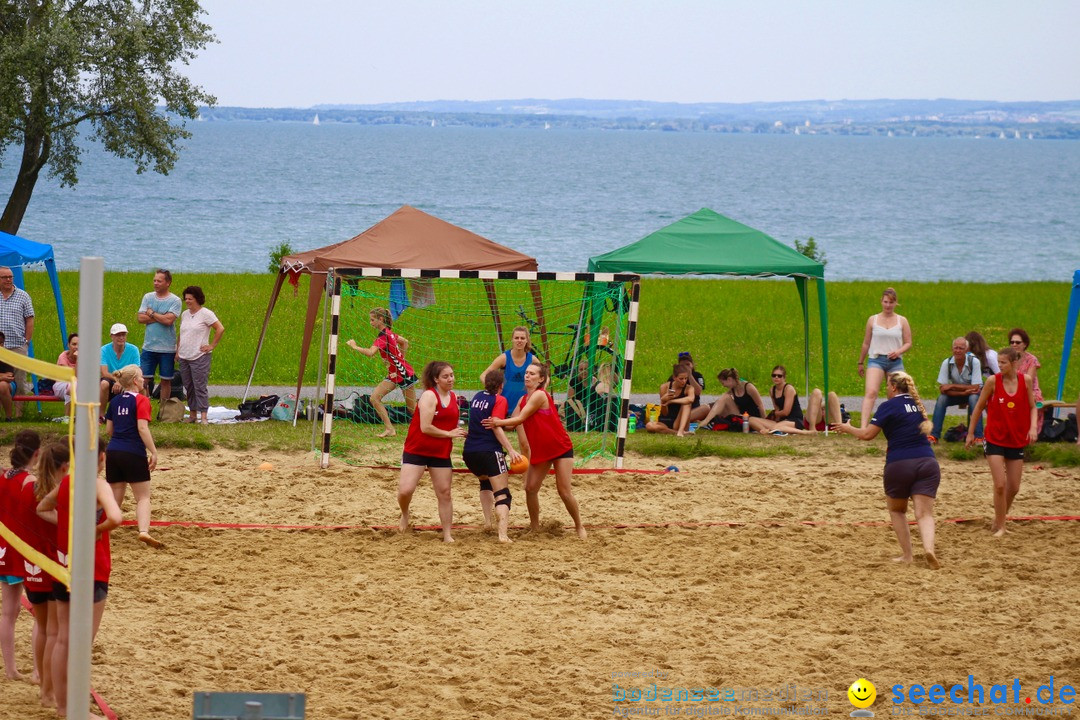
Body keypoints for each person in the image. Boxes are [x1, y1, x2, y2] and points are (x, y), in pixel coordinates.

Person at [38, 439, 122, 720]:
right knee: (81, 644)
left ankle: (63, 707)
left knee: (63, 639)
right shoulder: (97, 484)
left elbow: (42, 507)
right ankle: (76, 710)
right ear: (99, 456)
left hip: (64, 567)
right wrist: (93, 530)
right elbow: (117, 517)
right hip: (91, 569)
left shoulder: (67, 482)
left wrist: (69, 526)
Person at [833, 372, 941, 570]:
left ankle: (908, 555)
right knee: (924, 514)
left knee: (897, 510)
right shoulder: (919, 405)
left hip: (900, 463)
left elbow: (867, 435)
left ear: (893, 387)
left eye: (886, 386)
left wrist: (847, 428)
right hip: (928, 462)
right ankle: (929, 549)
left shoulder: (888, 406)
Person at [483, 362, 587, 539]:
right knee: (530, 488)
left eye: (532, 374)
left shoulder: (540, 395)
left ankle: (579, 526)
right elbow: (513, 422)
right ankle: (535, 528)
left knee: (564, 491)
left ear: (541, 379)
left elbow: (521, 417)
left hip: (560, 447)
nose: (527, 376)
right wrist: (492, 423)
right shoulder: (522, 399)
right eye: (526, 373)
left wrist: (498, 422)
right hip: (541, 450)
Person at [965, 346, 1037, 537]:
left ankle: (998, 521)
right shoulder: (993, 381)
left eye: (1003, 363)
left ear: (1014, 363)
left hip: (1016, 438)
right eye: (998, 363)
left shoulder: (1026, 381)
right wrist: (970, 433)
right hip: (995, 438)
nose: (1000, 366)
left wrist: (1032, 428)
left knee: (1014, 487)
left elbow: (1033, 407)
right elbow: (978, 408)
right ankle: (1002, 526)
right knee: (1000, 484)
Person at [397, 361, 467, 542]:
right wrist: (449, 433)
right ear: (436, 379)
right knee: (406, 490)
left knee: (445, 493)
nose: (451, 379)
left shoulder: (454, 398)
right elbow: (425, 427)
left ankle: (447, 534)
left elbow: (451, 424)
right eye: (446, 376)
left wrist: (462, 433)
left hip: (441, 451)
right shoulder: (429, 396)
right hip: (417, 448)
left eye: (452, 375)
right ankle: (405, 514)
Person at [105, 364, 163, 548]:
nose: (144, 380)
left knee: (115, 497)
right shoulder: (142, 400)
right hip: (133, 451)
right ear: (135, 381)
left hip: (113, 451)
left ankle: (104, 530)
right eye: (141, 377)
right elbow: (142, 428)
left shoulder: (114, 402)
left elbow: (109, 430)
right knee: (143, 497)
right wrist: (153, 451)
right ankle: (144, 531)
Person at [462, 369, 522, 543]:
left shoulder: (477, 396)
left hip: (470, 452)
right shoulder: (500, 399)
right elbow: (496, 426)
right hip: (489, 451)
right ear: (501, 386)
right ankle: (502, 535)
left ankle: (488, 523)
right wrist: (510, 450)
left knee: (485, 482)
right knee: (503, 494)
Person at [1, 430, 41, 682]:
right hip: (25, 550)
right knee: (41, 613)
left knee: (8, 612)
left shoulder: (3, 476)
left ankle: (11, 669)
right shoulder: (31, 482)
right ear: (36, 454)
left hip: (3, 548)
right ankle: (38, 671)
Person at [344, 307, 418, 438]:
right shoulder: (390, 333)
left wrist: (355, 347)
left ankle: (434, 425)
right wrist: (398, 358)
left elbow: (371, 352)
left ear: (381, 319)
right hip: (394, 374)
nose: (370, 322)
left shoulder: (383, 337)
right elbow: (404, 342)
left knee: (413, 409)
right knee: (374, 398)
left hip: (404, 374)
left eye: (372, 320)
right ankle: (390, 429)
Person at [856, 288, 912, 428]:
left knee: (897, 394)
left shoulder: (902, 321)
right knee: (871, 392)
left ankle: (897, 424)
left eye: (891, 303)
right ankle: (863, 426)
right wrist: (860, 362)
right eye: (886, 302)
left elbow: (908, 342)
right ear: (881, 302)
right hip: (876, 359)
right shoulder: (872, 320)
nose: (888, 305)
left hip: (895, 361)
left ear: (895, 303)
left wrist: (898, 352)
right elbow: (866, 343)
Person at [176, 285, 225, 425]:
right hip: (184, 356)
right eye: (186, 299)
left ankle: (204, 415)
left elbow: (220, 328)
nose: (187, 301)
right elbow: (182, 333)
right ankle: (192, 415)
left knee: (200, 386)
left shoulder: (206, 314)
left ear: (197, 299)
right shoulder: (185, 314)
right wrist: (177, 350)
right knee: (188, 386)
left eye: (190, 299)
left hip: (200, 356)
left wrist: (212, 345)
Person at [137, 268, 182, 402]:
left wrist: (151, 313)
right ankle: (144, 404)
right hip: (149, 346)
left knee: (166, 380)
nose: (156, 283)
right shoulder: (148, 297)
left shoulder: (175, 300)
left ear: (168, 283)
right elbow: (140, 318)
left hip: (167, 348)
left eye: (159, 281)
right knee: (143, 379)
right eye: (154, 280)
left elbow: (169, 321)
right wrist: (161, 317)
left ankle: (163, 409)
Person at [929, 337, 983, 443]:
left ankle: (978, 436)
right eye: (955, 348)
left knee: (973, 399)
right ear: (952, 349)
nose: (958, 351)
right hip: (958, 394)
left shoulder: (974, 362)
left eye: (961, 348)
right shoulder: (947, 362)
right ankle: (934, 435)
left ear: (966, 350)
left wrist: (952, 385)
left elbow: (976, 387)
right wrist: (962, 392)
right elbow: (943, 389)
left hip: (973, 394)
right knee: (941, 399)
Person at [0, 265, 34, 415]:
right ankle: (4, 414)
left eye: (10, 277)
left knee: (20, 381)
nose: (8, 279)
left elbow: (30, 320)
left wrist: (26, 341)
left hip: (17, 346)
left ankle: (20, 415)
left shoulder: (23, 295)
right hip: (0, 347)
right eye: (4, 277)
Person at [480, 326, 535, 413]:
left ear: (527, 340)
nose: (519, 340)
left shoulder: (532, 359)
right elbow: (483, 375)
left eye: (522, 338)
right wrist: (493, 391)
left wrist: (538, 394)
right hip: (504, 407)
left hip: (524, 409)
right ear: (512, 340)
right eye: (516, 338)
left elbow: (545, 377)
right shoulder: (504, 358)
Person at [697, 368, 767, 431]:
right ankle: (708, 421)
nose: (723, 386)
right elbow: (720, 401)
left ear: (729, 379)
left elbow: (760, 405)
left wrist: (764, 421)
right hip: (741, 416)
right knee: (725, 398)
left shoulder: (749, 387)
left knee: (726, 397)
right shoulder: (732, 389)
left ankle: (706, 421)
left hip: (752, 418)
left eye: (723, 383)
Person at [99, 323, 140, 422]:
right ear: (111, 336)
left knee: (141, 385)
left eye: (123, 335)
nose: (121, 337)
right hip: (110, 379)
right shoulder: (104, 350)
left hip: (128, 379)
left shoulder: (134, 350)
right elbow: (104, 372)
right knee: (104, 384)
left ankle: (140, 415)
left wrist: (122, 382)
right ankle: (101, 416)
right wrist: (118, 380)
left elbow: (136, 370)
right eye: (118, 335)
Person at [1008, 327, 1044, 435]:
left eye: (1018, 342)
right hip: (1010, 389)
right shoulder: (1008, 359)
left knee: (1028, 400)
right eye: (1012, 342)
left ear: (1025, 344)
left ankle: (1026, 431)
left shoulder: (1032, 360)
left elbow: (1028, 381)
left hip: (1029, 390)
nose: (1014, 344)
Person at [645, 363, 696, 436]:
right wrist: (663, 400)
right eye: (681, 379)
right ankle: (677, 433)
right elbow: (664, 413)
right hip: (665, 420)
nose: (684, 381)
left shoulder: (689, 388)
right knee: (649, 426)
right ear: (674, 377)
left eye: (686, 378)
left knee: (687, 403)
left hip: (679, 421)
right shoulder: (664, 387)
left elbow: (691, 399)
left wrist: (672, 401)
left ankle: (681, 431)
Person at [671, 351, 710, 423]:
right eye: (683, 365)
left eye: (688, 364)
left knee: (706, 408)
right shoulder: (674, 377)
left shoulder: (697, 376)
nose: (686, 367)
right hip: (678, 410)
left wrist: (690, 375)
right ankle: (682, 421)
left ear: (692, 365)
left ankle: (685, 420)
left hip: (693, 409)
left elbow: (698, 392)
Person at [51, 333, 78, 415]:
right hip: (61, 384)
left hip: (77, 385)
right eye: (74, 344)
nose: (76, 347)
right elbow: (70, 376)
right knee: (71, 386)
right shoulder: (63, 356)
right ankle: (67, 416)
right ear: (69, 345)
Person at [0, 331, 15, 420]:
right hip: (3, 380)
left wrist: (2, 377)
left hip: (8, 384)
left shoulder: (7, 356)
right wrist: (2, 376)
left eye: (1, 343)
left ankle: (9, 417)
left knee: (2, 386)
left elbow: (9, 376)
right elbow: (5, 376)